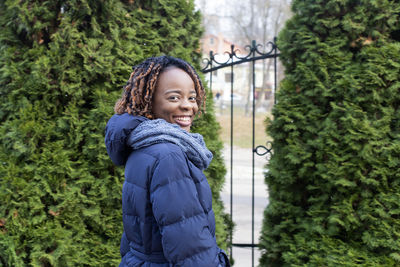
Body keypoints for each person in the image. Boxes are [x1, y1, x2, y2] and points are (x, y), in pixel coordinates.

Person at [105, 56, 230, 266]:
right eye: (174, 98)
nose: (187, 106)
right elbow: (191, 249)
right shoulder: (167, 155)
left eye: (192, 98)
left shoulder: (143, 146)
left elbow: (135, 237)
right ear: (149, 101)